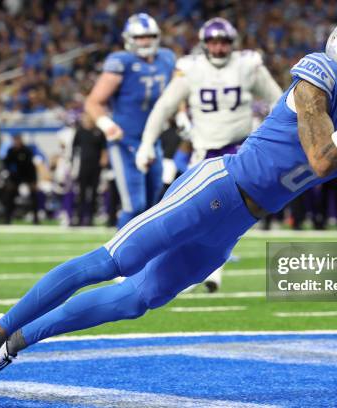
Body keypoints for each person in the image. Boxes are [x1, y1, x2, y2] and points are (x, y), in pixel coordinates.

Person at [0, 15, 337, 399]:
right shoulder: (320, 74)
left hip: (237, 222)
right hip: (215, 187)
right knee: (113, 262)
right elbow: (320, 156)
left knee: (138, 299)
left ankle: (15, 342)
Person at [136, 17, 283, 291]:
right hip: (202, 150)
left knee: (231, 213)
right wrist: (147, 142)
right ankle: (149, 264)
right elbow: (164, 107)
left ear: (232, 44)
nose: (218, 49)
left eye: (223, 42)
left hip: (239, 149)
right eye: (213, 43)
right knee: (183, 209)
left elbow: (281, 100)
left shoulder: (248, 65)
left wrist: (268, 134)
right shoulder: (191, 69)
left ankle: (213, 269)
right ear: (204, 44)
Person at [84, 13, 175, 228]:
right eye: (140, 37)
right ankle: (119, 258)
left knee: (155, 205)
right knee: (134, 205)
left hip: (152, 140)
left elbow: (174, 92)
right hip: (126, 141)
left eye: (150, 36)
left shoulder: (167, 58)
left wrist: (180, 114)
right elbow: (93, 102)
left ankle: (147, 257)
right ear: (129, 39)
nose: (146, 41)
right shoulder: (120, 62)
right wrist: (107, 124)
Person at [72, 113, 108, 226]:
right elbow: (74, 148)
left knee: (93, 192)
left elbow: (104, 148)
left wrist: (103, 158)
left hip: (96, 166)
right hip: (83, 166)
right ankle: (79, 217)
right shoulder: (80, 132)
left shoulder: (98, 132)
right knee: (81, 192)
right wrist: (73, 163)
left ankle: (90, 218)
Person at [1, 134, 39, 224]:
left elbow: (31, 167)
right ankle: (7, 218)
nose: (16, 142)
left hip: (28, 176)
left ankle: (36, 218)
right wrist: (9, 179)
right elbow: (6, 165)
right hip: (15, 177)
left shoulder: (27, 151)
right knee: (9, 194)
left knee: (34, 196)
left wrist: (33, 181)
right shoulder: (11, 151)